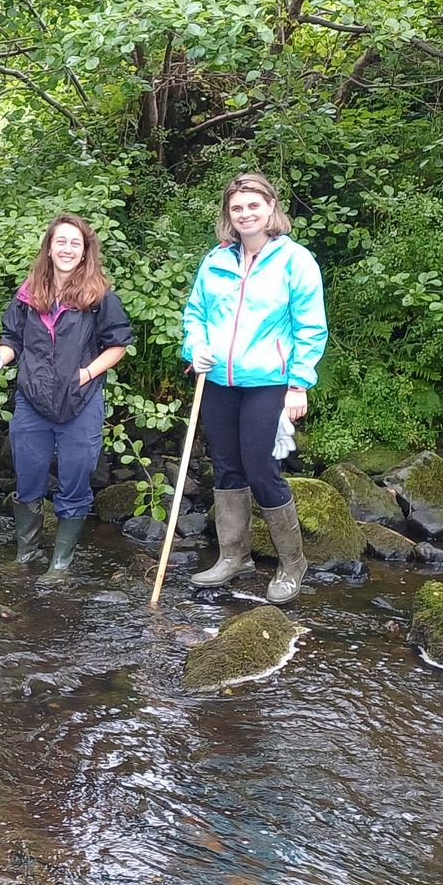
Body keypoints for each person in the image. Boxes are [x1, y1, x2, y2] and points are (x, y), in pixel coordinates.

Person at [181, 171, 328, 603]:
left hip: (269, 381)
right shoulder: (215, 260)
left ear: (270, 209)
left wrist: (299, 384)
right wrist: (197, 347)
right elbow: (195, 314)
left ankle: (292, 562)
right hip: (219, 381)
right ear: (228, 215)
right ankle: (234, 556)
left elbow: (311, 326)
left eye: (253, 206)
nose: (245, 214)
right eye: (237, 208)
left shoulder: (295, 260)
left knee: (260, 466)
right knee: (226, 466)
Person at [0, 214, 135, 578]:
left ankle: (60, 564)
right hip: (33, 401)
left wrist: (86, 374)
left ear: (84, 252)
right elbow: (11, 339)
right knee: (28, 478)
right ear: (49, 248)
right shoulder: (28, 292)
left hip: (81, 401)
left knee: (75, 480)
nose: (66, 249)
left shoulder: (100, 297)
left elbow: (118, 345)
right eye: (60, 241)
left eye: (74, 243)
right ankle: (25, 555)